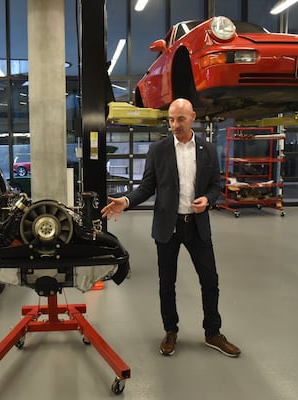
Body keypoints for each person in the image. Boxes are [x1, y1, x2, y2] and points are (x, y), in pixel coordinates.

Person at [101, 98, 240, 358]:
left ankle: (213, 332)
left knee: (210, 281)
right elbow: (147, 187)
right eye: (171, 120)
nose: (175, 125)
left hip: (197, 226)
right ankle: (170, 331)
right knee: (167, 282)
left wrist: (208, 200)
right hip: (168, 226)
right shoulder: (159, 149)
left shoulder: (208, 150)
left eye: (180, 119)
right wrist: (127, 201)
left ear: (193, 117)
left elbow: (215, 186)